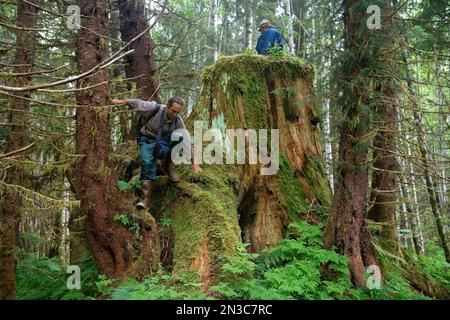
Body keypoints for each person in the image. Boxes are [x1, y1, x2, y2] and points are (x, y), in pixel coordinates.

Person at [111, 97, 201, 210]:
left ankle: (167, 166)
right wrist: (118, 102)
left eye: (177, 112)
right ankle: (145, 199)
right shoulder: (154, 108)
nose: (175, 114)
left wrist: (194, 161)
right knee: (147, 162)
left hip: (163, 142)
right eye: (173, 110)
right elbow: (136, 103)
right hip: (147, 139)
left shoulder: (177, 120)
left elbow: (186, 139)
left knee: (180, 136)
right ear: (167, 106)